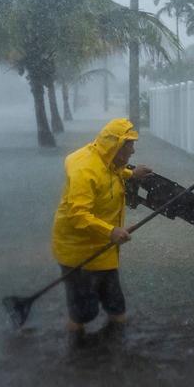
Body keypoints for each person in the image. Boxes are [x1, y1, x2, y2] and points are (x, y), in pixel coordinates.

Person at [51, 118, 152, 338]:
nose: (133, 151)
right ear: (115, 146)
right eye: (129, 145)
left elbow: (109, 173)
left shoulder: (106, 159)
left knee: (116, 305)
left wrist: (130, 174)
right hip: (78, 252)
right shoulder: (84, 170)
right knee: (82, 313)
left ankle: (115, 355)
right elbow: (78, 215)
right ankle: (76, 356)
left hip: (103, 248)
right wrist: (111, 231)